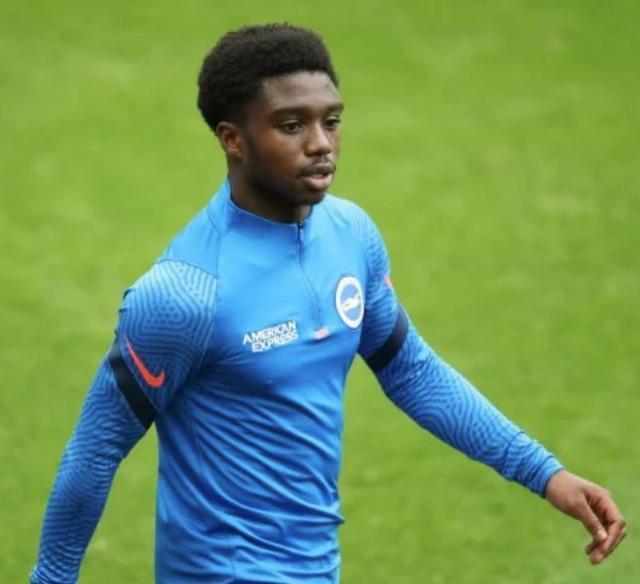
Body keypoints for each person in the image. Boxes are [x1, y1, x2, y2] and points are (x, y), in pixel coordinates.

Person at [30, 23, 626, 584]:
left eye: (332, 121)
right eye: (291, 125)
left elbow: (410, 369)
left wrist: (546, 473)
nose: (321, 145)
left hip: (316, 566)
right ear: (232, 139)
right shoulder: (184, 295)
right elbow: (94, 451)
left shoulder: (350, 235)